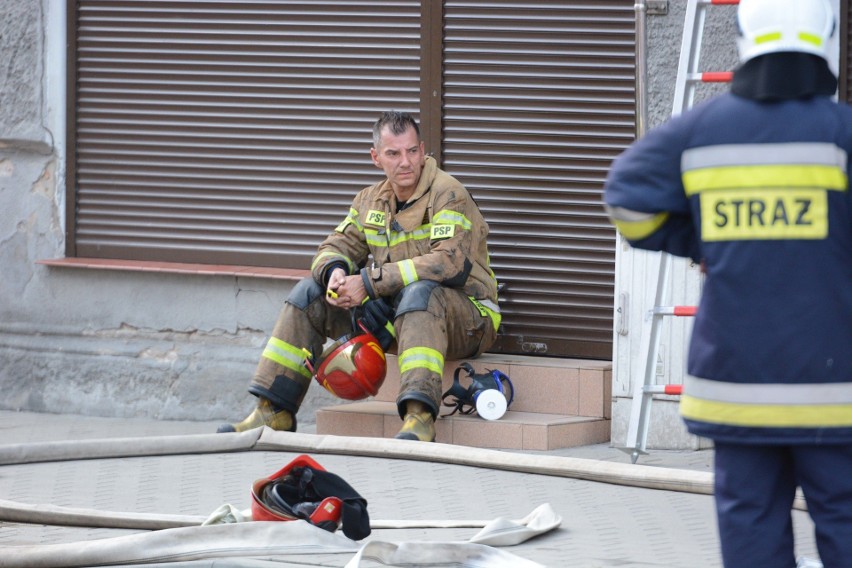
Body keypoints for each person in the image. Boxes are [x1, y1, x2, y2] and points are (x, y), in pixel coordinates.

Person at [603, 0, 852, 566]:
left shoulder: (700, 132)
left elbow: (625, 198)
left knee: (752, 537)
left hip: (737, 388)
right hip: (835, 390)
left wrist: (709, 243)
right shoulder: (841, 134)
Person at [218, 111, 500, 442]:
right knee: (308, 294)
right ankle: (273, 411)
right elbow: (334, 245)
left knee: (422, 293)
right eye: (393, 153)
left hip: (469, 320)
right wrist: (335, 274)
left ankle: (419, 417)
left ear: (422, 150)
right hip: (399, 316)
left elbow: (447, 264)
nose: (405, 162)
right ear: (375, 157)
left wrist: (367, 284)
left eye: (411, 151)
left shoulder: (448, 193)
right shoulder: (370, 200)